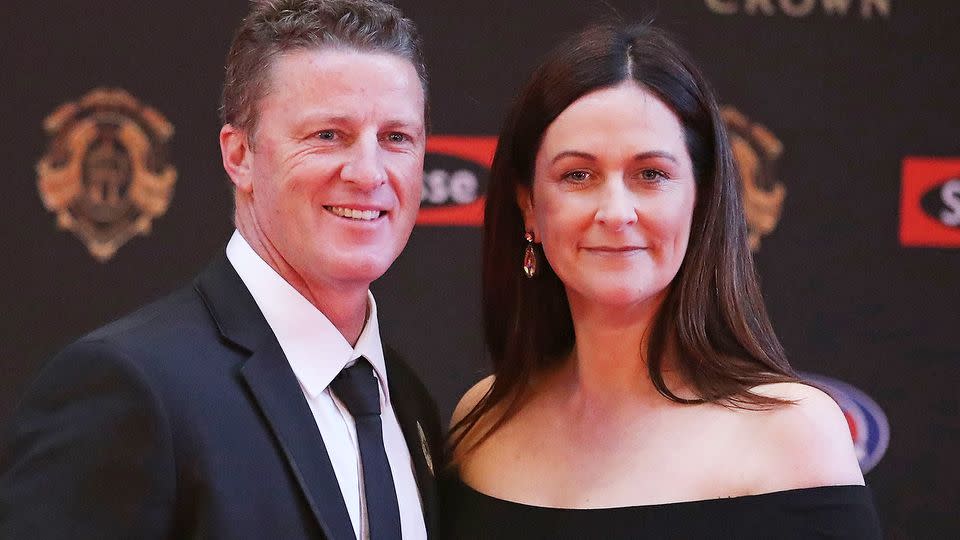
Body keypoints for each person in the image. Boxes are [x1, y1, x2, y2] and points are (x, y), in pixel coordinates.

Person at [0, 1, 441, 538]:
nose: (369, 172)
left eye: (396, 137)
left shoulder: (409, 402)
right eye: (328, 135)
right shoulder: (131, 390)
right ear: (240, 156)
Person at [443, 23, 882, 539]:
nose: (616, 211)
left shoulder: (794, 434)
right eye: (577, 175)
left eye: (650, 174)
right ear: (529, 208)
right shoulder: (482, 424)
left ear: (699, 202)